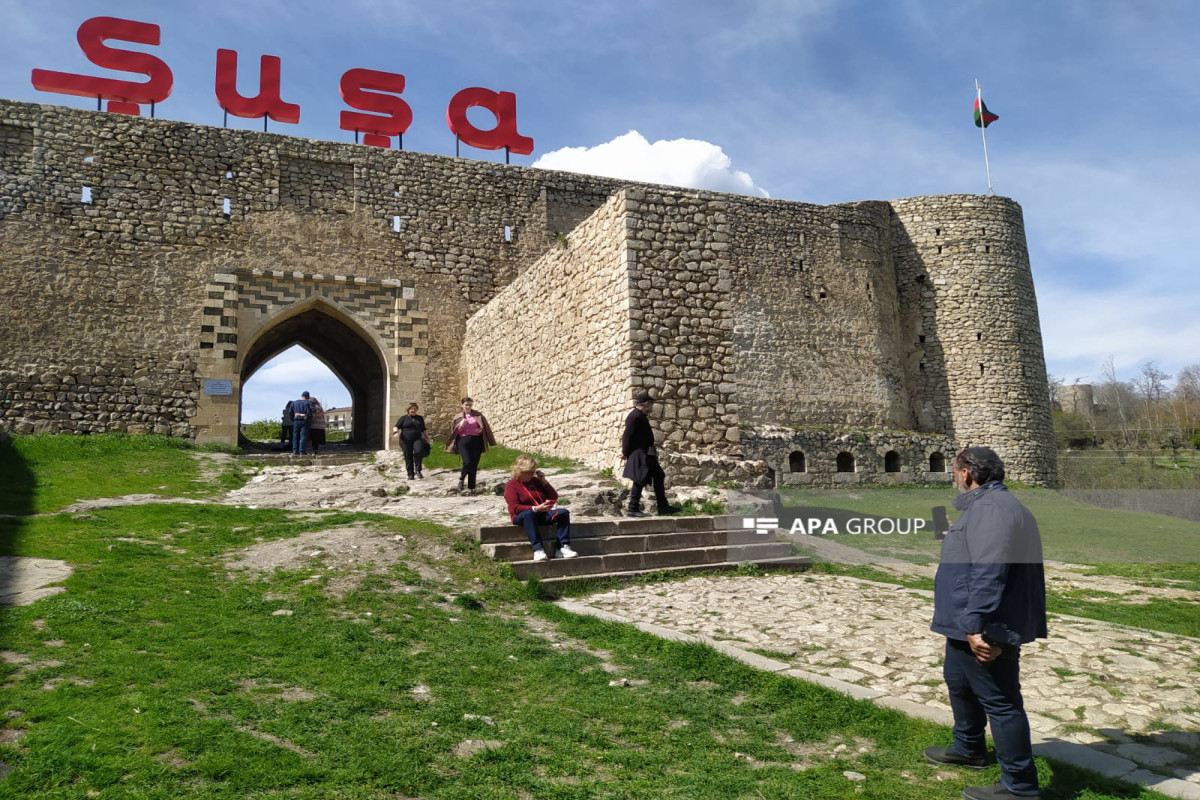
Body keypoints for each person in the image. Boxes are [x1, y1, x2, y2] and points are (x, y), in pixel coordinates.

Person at [925, 446, 1047, 800]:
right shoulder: (986, 508)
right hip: (964, 618)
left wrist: (976, 624)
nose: (954, 478)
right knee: (959, 682)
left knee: (1001, 702)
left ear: (966, 473)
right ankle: (969, 748)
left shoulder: (992, 509)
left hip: (984, 622)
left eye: (955, 472)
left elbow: (990, 570)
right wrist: (955, 536)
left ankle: (1019, 786)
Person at [504, 455, 576, 562]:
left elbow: (553, 496)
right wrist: (535, 508)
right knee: (529, 514)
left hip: (541, 514)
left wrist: (543, 481)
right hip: (522, 516)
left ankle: (563, 547)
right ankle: (538, 549)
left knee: (563, 513)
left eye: (533, 472)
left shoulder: (535, 481)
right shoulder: (512, 485)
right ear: (520, 471)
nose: (532, 474)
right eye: (529, 472)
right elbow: (515, 507)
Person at [620, 391, 678, 517]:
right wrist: (625, 452)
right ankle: (632, 509)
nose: (651, 407)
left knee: (659, 475)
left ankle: (663, 507)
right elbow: (627, 436)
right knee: (639, 479)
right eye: (651, 404)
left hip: (647, 453)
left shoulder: (640, 416)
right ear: (646, 403)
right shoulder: (635, 416)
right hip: (639, 453)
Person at [445, 397, 496, 494]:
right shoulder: (458, 417)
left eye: (470, 405)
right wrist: (461, 426)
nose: (468, 407)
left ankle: (471, 488)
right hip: (463, 441)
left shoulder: (478, 415)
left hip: (476, 440)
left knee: (474, 465)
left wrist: (481, 430)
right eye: (466, 405)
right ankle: (461, 479)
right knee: (467, 462)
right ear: (462, 405)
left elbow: (485, 427)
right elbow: (454, 432)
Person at [392, 402, 430, 480]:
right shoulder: (404, 418)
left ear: (417, 410)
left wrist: (427, 438)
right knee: (408, 455)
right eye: (411, 409)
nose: (413, 410)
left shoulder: (420, 418)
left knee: (418, 452)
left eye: (415, 409)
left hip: (417, 438)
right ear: (408, 410)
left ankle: (418, 470)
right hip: (405, 440)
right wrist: (395, 432)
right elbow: (396, 426)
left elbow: (423, 429)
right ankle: (410, 474)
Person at [290, 391, 314, 456]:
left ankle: (295, 450)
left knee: (295, 435)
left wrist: (293, 419)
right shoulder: (308, 402)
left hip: (296, 420)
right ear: (308, 397)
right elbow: (313, 410)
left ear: (301, 396)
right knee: (303, 436)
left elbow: (290, 412)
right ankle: (302, 451)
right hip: (305, 421)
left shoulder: (294, 402)